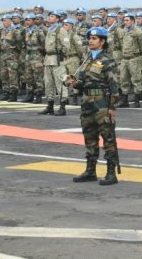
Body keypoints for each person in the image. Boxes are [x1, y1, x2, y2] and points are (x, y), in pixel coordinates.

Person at [67, 27, 120, 186]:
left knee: (108, 138)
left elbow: (114, 86)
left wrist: (112, 107)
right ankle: (90, 171)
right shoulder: (87, 59)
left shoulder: (107, 60)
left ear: (103, 42)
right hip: (87, 102)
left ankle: (111, 173)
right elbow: (83, 84)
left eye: (94, 38)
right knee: (89, 137)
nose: (90, 41)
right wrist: (73, 83)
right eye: (89, 38)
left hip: (102, 103)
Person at [40, 11, 68, 115]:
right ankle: (50, 105)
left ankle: (62, 106)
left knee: (60, 83)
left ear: (57, 19)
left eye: (52, 16)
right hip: (48, 59)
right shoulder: (49, 30)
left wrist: (62, 56)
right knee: (48, 83)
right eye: (49, 16)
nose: (49, 18)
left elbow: (66, 46)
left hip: (57, 58)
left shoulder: (60, 30)